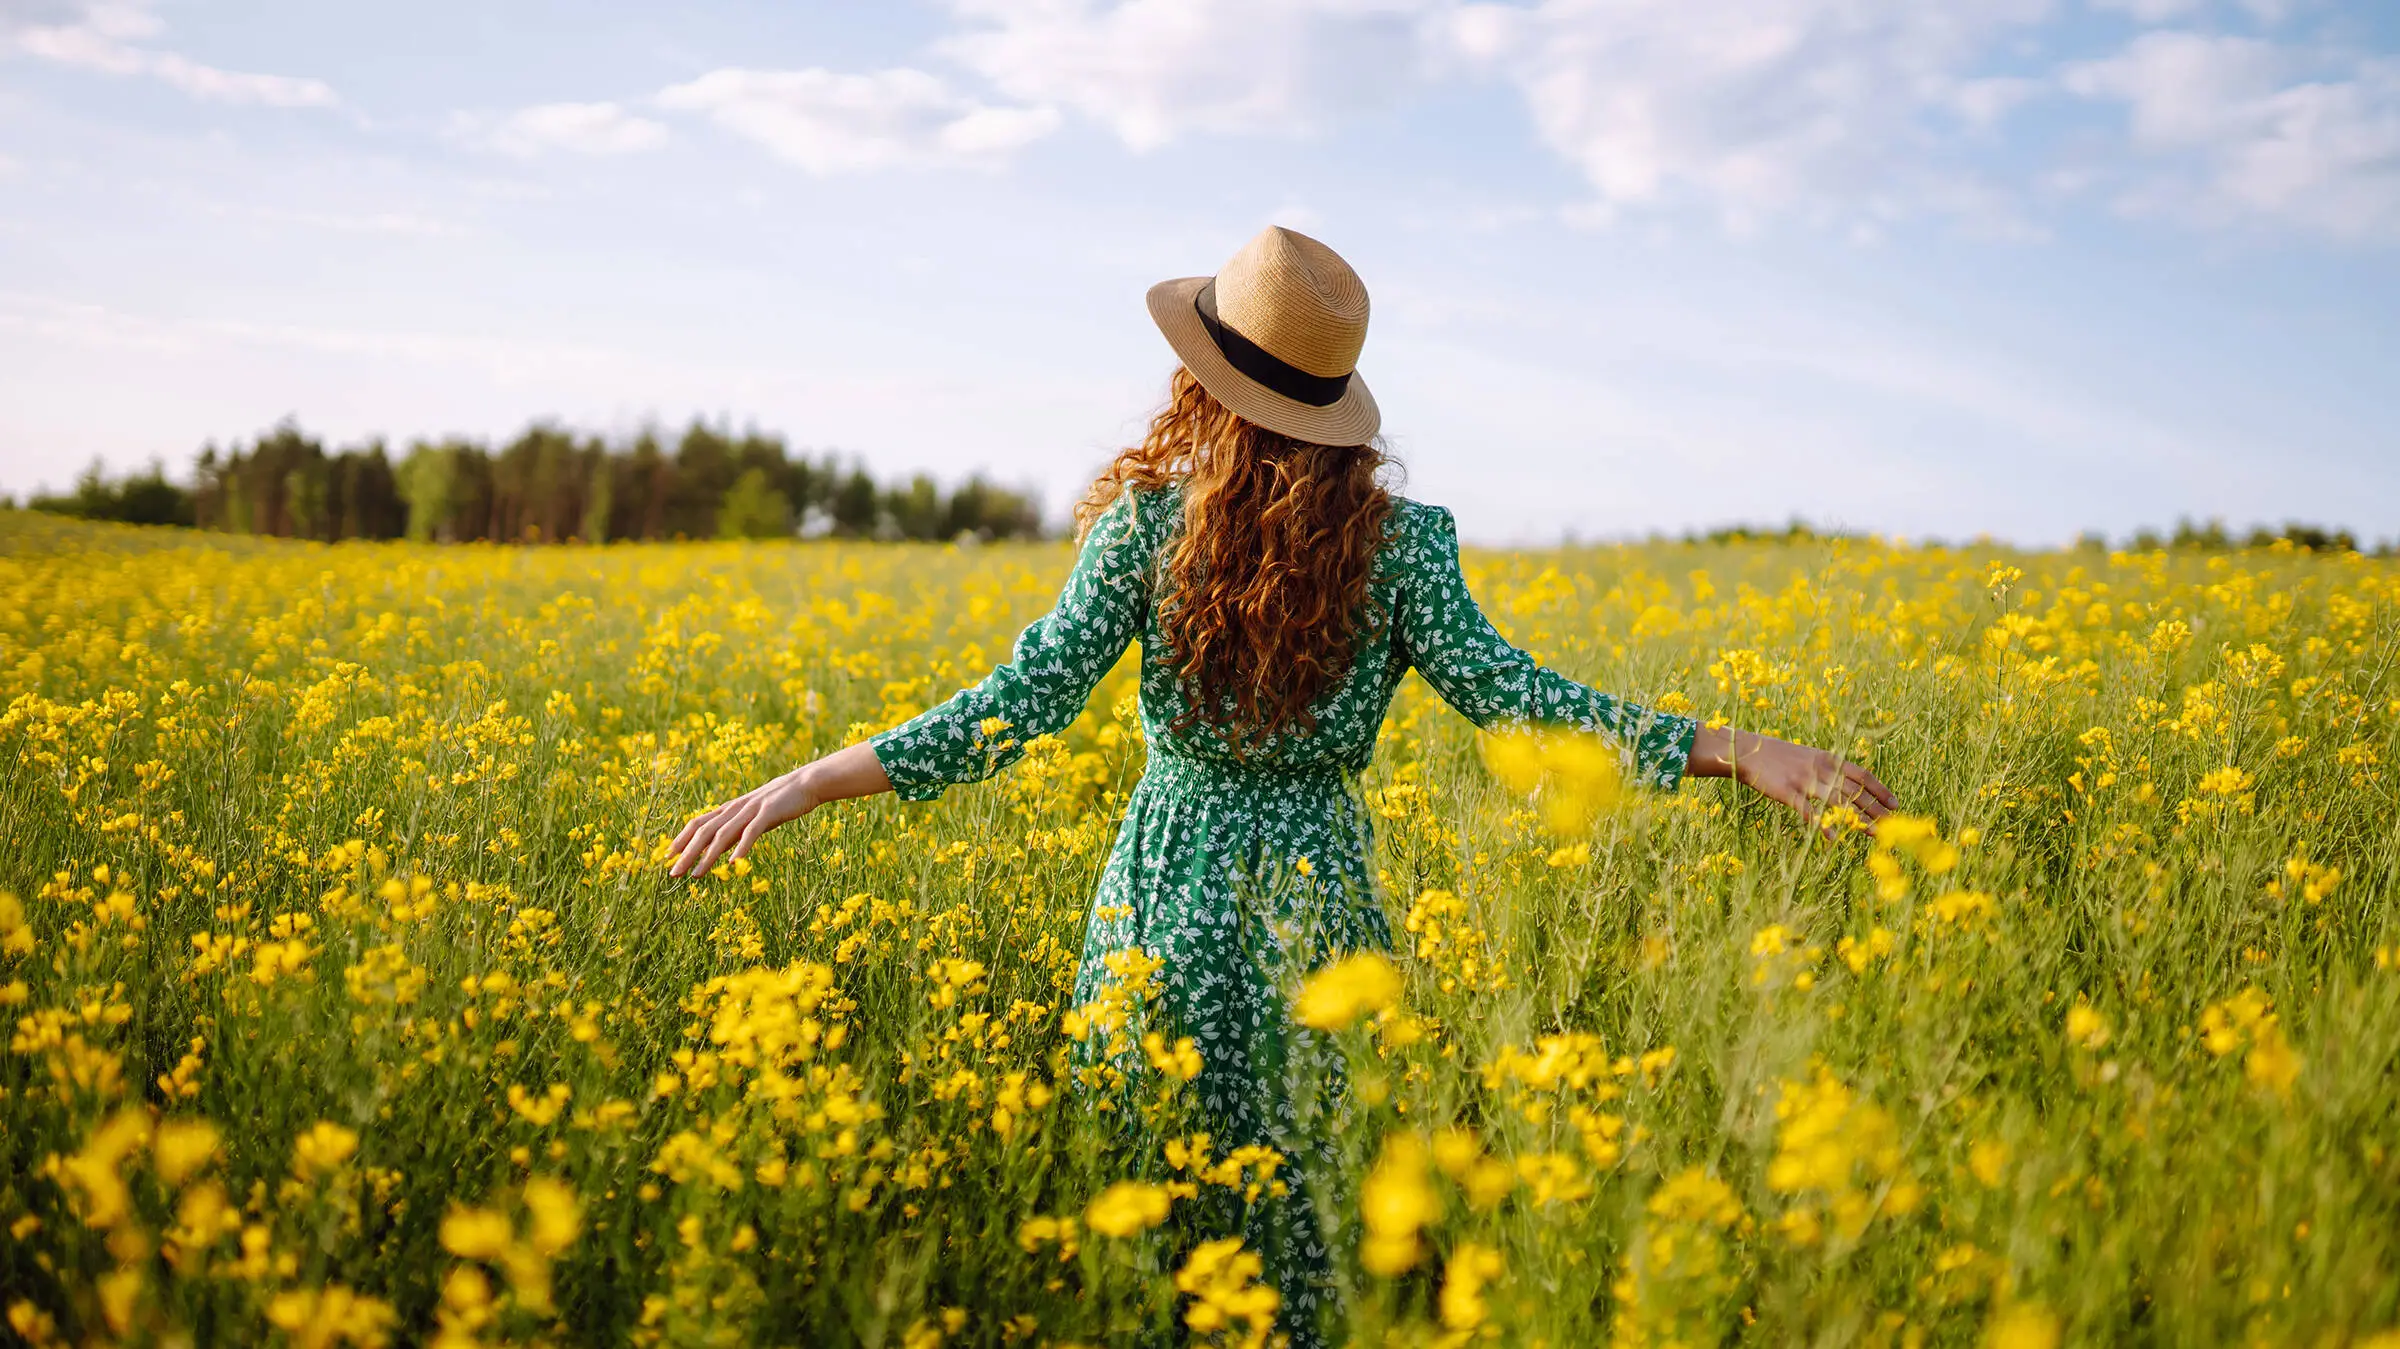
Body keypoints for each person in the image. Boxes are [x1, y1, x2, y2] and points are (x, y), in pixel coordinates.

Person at [667, 225, 1898, 1340]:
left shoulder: (1147, 530)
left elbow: (1018, 702)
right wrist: (1737, 746)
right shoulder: (1405, 546)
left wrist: (813, 780)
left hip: (1163, 902)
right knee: (1309, 1223)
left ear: (1202, 380)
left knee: (1155, 1226)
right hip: (1320, 916)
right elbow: (1524, 697)